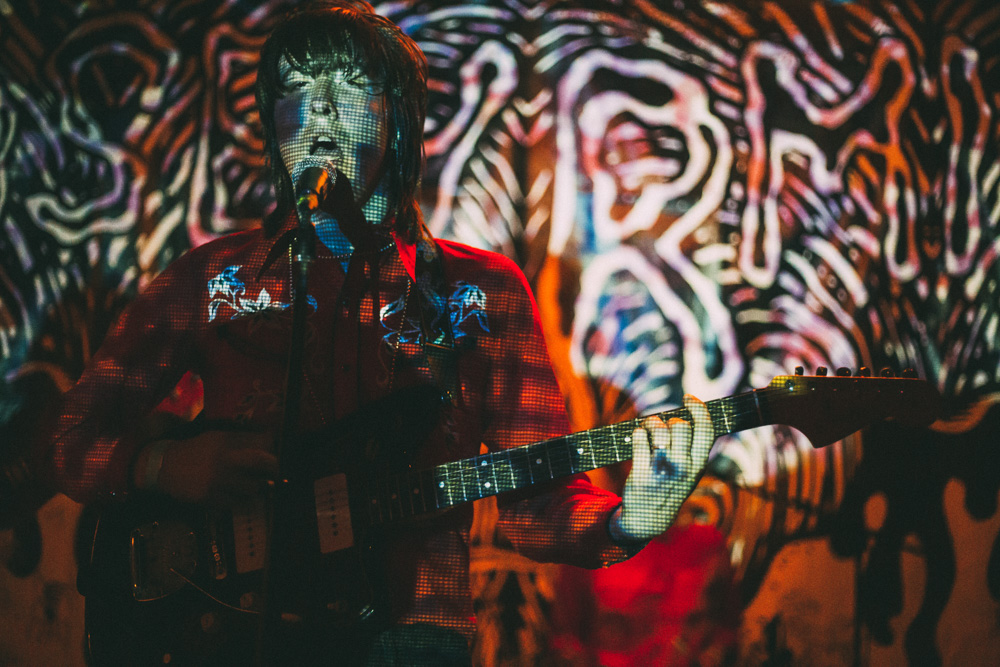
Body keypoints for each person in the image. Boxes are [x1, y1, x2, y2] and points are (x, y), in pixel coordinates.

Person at [45, 2, 716, 664]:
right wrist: (162, 464)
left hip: (410, 635)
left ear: (399, 118)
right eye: (295, 92)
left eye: (350, 88)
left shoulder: (479, 293)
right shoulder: (212, 278)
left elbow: (535, 501)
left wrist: (631, 519)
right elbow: (69, 434)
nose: (320, 113)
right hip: (230, 628)